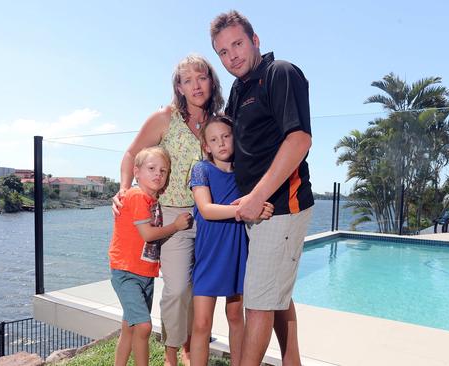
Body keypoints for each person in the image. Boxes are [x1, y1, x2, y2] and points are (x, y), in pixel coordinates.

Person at [210, 11, 315, 366]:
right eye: (222, 52)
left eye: (237, 44)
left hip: (282, 207)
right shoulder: (239, 91)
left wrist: (257, 197)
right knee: (276, 295)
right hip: (259, 210)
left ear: (255, 41)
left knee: (257, 304)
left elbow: (299, 139)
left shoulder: (279, 73)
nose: (232, 56)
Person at [112, 54, 224, 366]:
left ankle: (189, 343)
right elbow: (131, 154)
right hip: (174, 214)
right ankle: (172, 352)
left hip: (210, 214)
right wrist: (123, 189)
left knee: (198, 288)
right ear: (179, 86)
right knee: (176, 289)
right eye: (187, 80)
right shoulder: (165, 118)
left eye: (201, 78)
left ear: (211, 81)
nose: (196, 85)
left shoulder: (219, 123)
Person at [189, 115, 273, 366]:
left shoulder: (244, 173)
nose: (221, 143)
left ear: (235, 138)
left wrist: (261, 208)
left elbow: (257, 205)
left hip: (237, 252)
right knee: (202, 322)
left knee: (236, 315)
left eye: (226, 136)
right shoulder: (201, 170)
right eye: (214, 140)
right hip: (209, 254)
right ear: (206, 146)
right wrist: (247, 208)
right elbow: (206, 209)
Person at [109, 146, 193, 366]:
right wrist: (175, 226)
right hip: (127, 272)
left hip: (144, 273)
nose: (158, 174)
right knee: (144, 327)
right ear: (136, 172)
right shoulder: (136, 195)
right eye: (151, 168)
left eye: (163, 171)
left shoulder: (152, 200)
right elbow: (147, 234)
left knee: (130, 326)